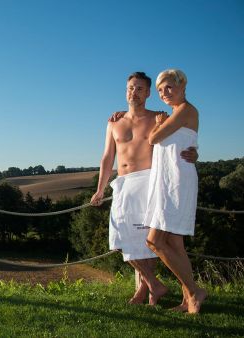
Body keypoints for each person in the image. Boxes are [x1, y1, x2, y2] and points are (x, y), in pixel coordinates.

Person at [91, 71, 198, 305]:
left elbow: (181, 140)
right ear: (126, 89)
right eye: (131, 87)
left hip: (151, 181)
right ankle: (152, 285)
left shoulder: (159, 116)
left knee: (146, 240)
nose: (135, 92)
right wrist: (100, 189)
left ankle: (146, 291)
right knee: (120, 238)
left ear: (148, 93)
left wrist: (194, 152)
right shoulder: (114, 122)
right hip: (124, 183)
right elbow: (107, 157)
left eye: (140, 89)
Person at [144, 69, 206, 314]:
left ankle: (194, 291)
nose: (164, 93)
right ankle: (186, 300)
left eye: (168, 87)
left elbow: (153, 138)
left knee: (154, 241)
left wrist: (158, 124)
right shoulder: (177, 115)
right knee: (175, 244)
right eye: (160, 90)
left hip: (177, 184)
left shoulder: (185, 111)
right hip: (167, 183)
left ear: (182, 86)